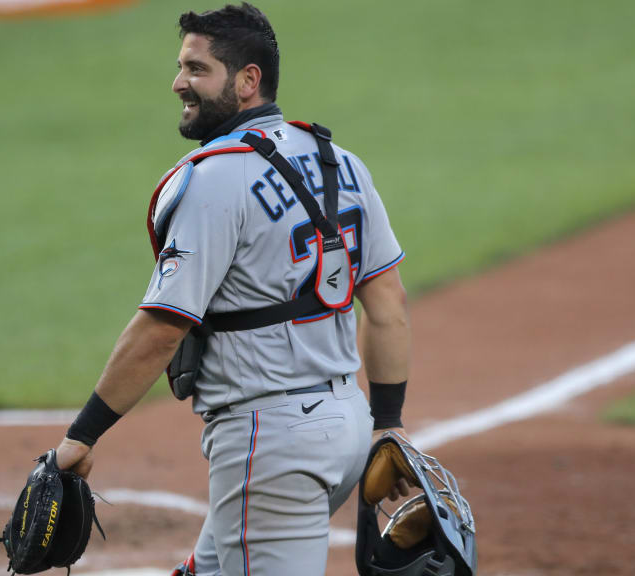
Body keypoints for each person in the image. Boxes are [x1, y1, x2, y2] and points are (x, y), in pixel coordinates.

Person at [54, 4, 412, 575]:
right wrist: (388, 424)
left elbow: (162, 326)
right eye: (181, 67)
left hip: (271, 445)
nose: (179, 84)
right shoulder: (340, 163)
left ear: (248, 80)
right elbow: (387, 302)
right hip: (345, 423)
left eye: (197, 70)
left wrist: (82, 436)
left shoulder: (215, 178)